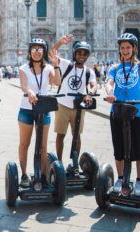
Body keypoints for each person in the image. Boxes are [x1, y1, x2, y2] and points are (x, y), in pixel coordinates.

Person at [105, 12, 140, 197]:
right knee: (118, 149)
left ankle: (138, 181)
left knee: (139, 149)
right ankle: (120, 179)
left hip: (137, 112)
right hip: (117, 110)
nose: (125, 50)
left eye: (128, 47)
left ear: (134, 49)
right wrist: (110, 93)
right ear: (119, 50)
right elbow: (109, 82)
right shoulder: (114, 68)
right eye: (123, 48)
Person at [18, 38, 60, 188]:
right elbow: (23, 85)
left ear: (44, 51)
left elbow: (57, 83)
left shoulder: (48, 68)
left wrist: (56, 66)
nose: (37, 52)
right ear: (30, 52)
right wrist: (29, 92)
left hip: (43, 109)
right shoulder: (23, 68)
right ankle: (23, 174)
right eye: (34, 49)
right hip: (27, 110)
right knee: (25, 143)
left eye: (40, 49)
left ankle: (43, 175)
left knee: (43, 146)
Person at [49, 35, 97, 164]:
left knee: (77, 136)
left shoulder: (89, 72)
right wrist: (60, 42)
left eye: (84, 53)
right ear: (75, 54)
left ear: (87, 56)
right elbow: (52, 55)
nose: (82, 56)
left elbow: (94, 85)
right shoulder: (66, 64)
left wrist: (90, 94)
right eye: (79, 53)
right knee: (60, 135)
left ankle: (75, 162)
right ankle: (59, 164)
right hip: (63, 105)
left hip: (79, 106)